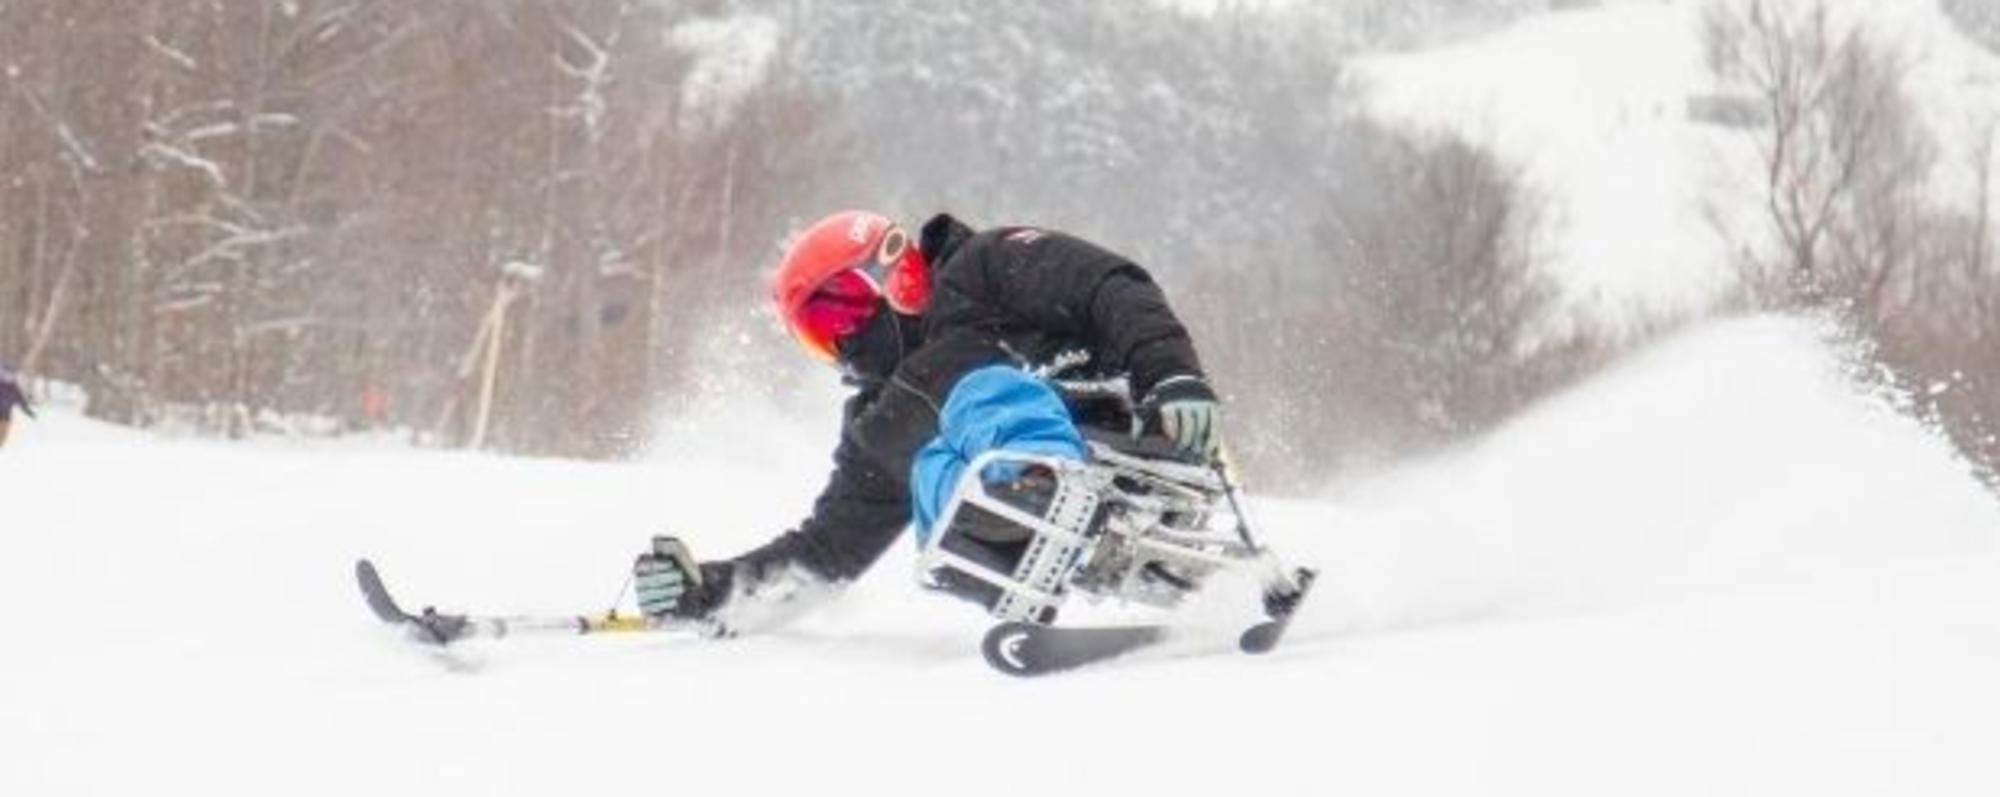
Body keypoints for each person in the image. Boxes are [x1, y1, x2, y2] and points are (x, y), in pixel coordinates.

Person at [631, 211, 1224, 633]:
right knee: (926, 466)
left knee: (966, 387)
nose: (839, 346)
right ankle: (1024, 542)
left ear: (888, 280)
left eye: (836, 316)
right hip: (1017, 513)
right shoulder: (878, 425)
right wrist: (703, 593)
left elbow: (1108, 287)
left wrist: (1171, 374)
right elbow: (824, 554)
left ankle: (1039, 483)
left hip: (1115, 425)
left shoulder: (988, 269)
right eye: (817, 338)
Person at [0, 366, 35, 448]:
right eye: (6, 375)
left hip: (6, 415)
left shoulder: (14, 389)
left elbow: (21, 402)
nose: (8, 377)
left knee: (3, 433)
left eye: (10, 375)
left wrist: (29, 412)